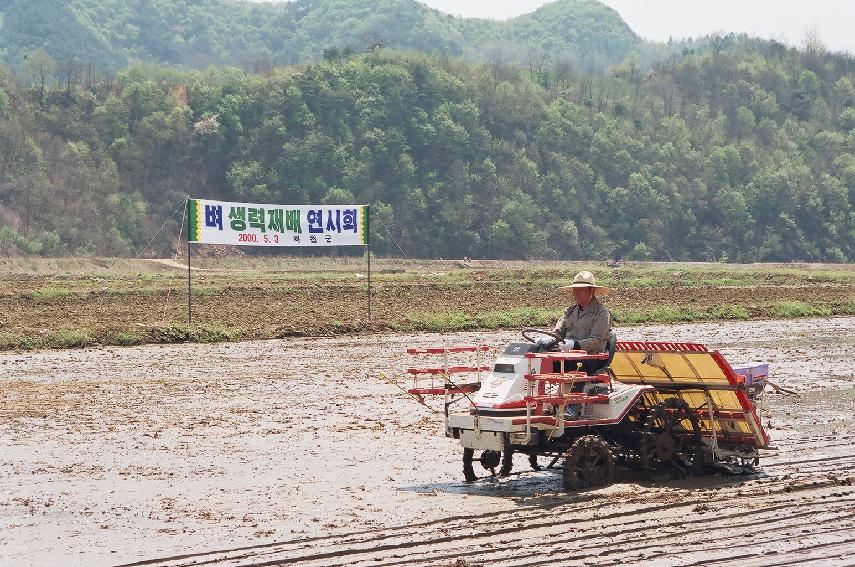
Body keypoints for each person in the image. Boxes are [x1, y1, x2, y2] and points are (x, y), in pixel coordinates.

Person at [545, 271, 612, 375]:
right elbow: (557, 333)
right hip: (567, 356)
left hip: (590, 358)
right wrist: (547, 341)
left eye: (580, 290)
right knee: (540, 360)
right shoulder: (569, 311)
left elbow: (597, 340)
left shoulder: (601, 313)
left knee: (565, 364)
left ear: (592, 291)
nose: (576, 293)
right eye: (574, 290)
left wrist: (574, 345)